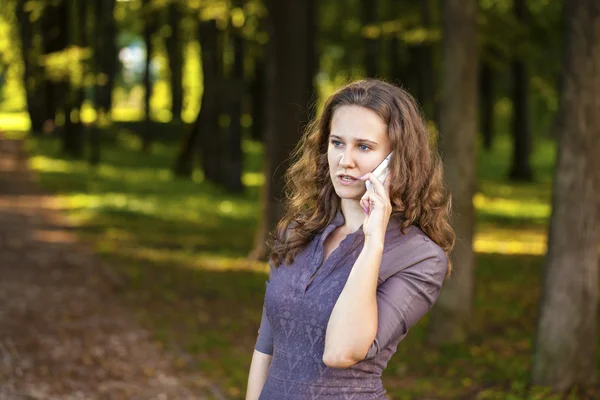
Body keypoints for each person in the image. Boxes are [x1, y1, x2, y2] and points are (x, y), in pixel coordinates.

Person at [245, 79, 455, 400]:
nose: (345, 160)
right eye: (337, 142)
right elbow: (266, 346)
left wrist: (373, 242)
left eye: (364, 147)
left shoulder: (421, 257)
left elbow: (341, 352)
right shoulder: (297, 232)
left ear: (396, 160)